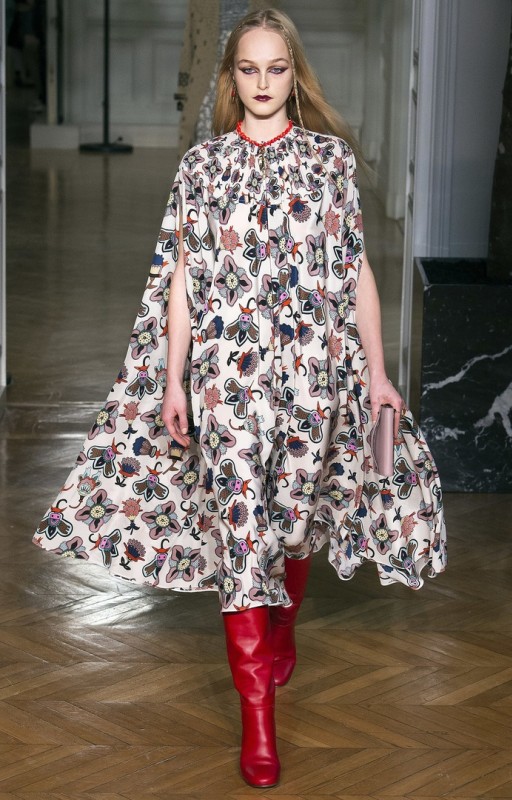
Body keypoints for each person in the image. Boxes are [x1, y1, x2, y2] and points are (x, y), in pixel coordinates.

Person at [33, 8, 446, 789]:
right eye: (248, 69)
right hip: (225, 382)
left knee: (292, 522)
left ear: (295, 73)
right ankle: (258, 721)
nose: (262, 83)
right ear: (231, 76)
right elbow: (183, 278)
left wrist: (378, 372)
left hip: (311, 376)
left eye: (275, 68)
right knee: (241, 534)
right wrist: (173, 378)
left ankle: (283, 624)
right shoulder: (202, 165)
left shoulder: (327, 161)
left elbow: (354, 270)